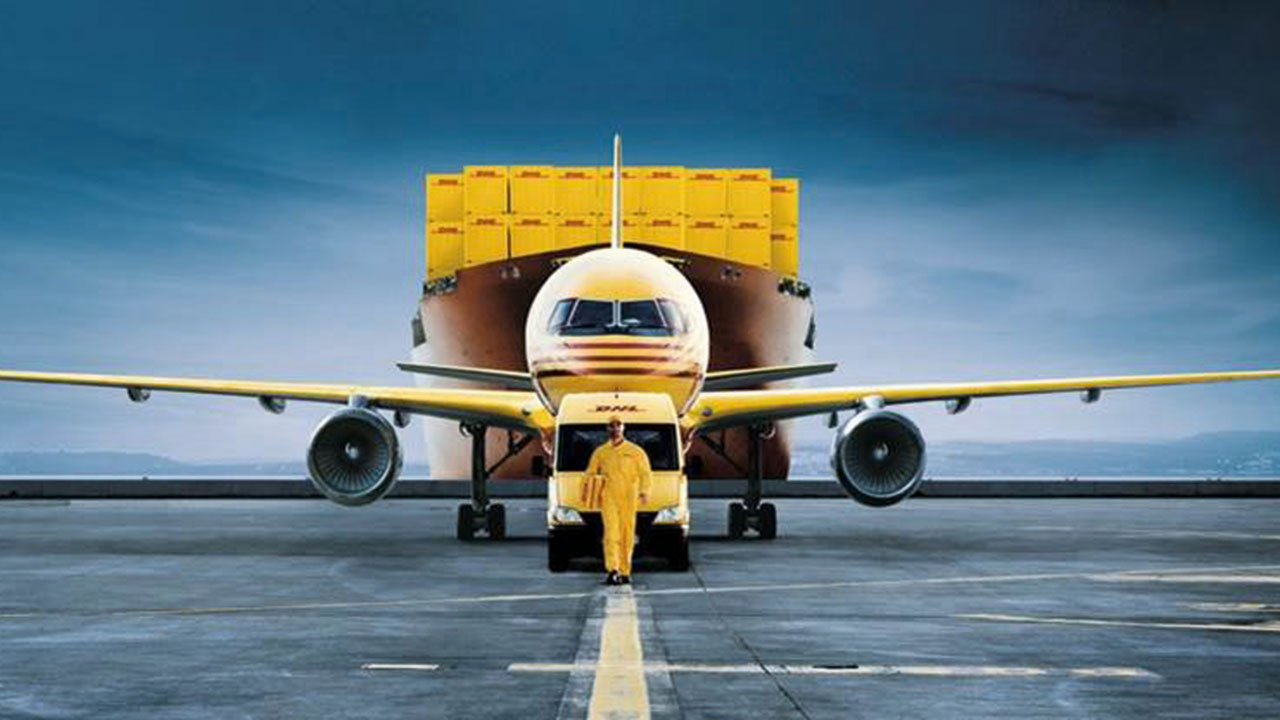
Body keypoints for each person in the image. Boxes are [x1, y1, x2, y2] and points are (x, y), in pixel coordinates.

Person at [584, 416, 652, 585]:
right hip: (609, 496)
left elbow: (645, 473)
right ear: (607, 429)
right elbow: (590, 472)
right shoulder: (601, 452)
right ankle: (613, 570)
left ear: (623, 428)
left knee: (627, 534)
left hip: (629, 497)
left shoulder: (635, 451)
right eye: (611, 426)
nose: (615, 429)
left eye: (618, 425)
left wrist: (644, 491)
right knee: (611, 533)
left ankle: (625, 571)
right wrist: (589, 489)